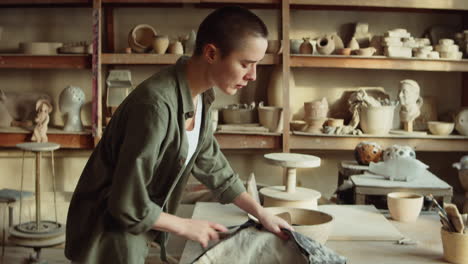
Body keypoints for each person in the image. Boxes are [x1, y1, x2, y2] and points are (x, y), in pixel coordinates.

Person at [65, 6, 292, 264]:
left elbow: (213, 165)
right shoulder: (155, 107)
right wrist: (185, 226)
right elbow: (126, 204)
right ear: (211, 53)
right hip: (106, 233)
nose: (252, 76)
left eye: (256, 65)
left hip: (136, 225)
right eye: (245, 64)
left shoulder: (201, 96)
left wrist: (261, 213)